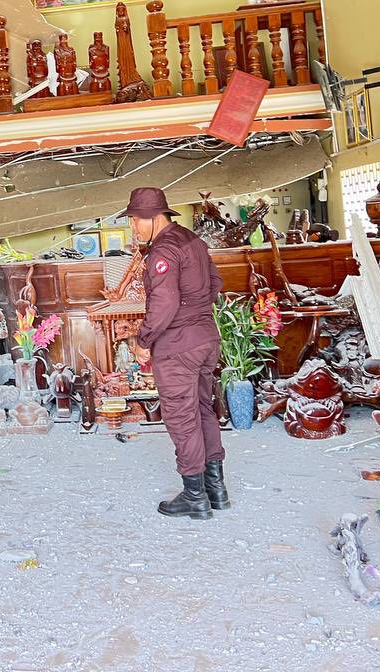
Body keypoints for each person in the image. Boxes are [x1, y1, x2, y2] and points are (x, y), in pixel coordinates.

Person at [121, 187, 228, 520]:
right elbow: (215, 282)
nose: (133, 227)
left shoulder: (163, 250)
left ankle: (195, 496)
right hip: (206, 339)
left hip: (178, 346)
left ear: (153, 218)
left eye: (135, 220)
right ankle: (216, 490)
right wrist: (194, 312)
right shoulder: (193, 240)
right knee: (203, 409)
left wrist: (143, 341)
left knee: (182, 418)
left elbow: (164, 303)